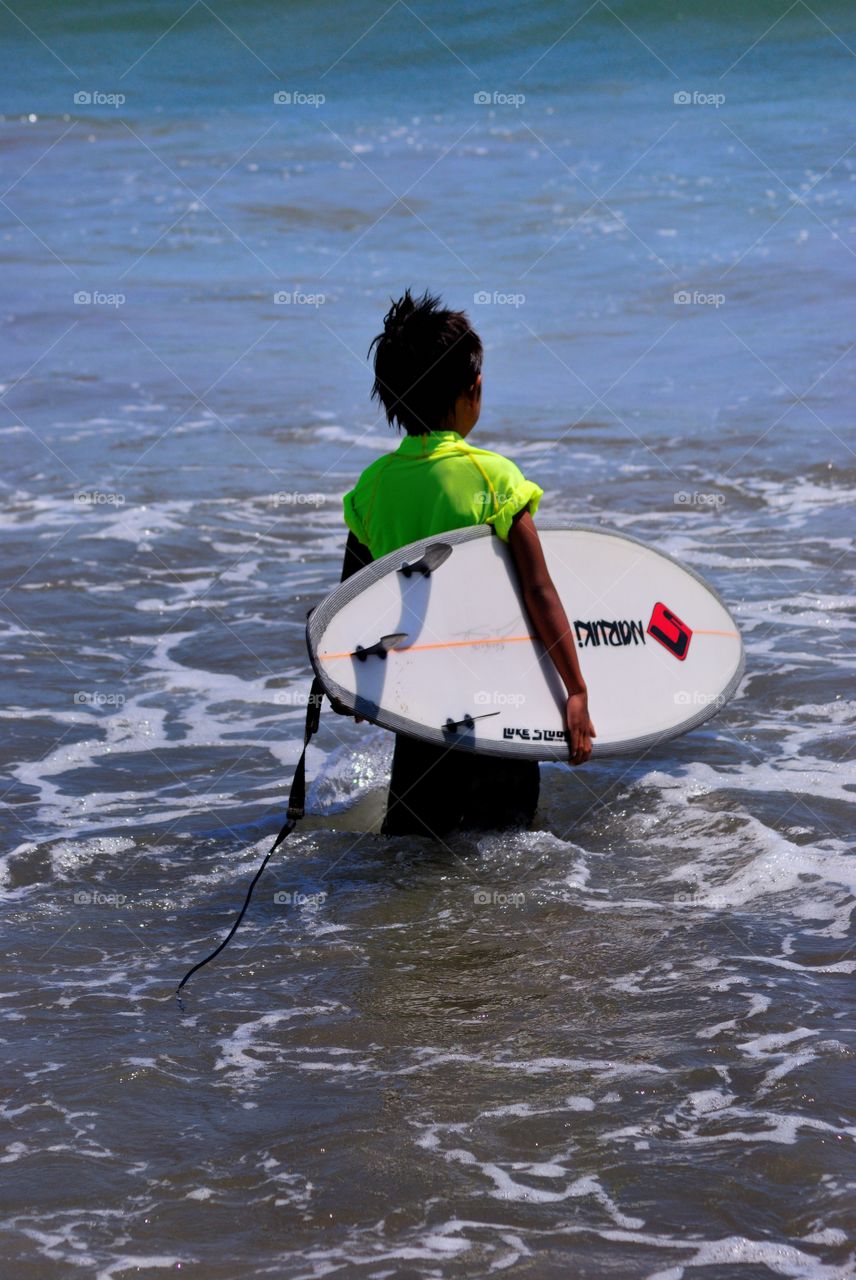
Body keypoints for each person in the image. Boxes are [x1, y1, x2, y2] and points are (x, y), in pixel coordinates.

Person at [337, 289, 595, 839]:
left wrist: (358, 683)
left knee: (411, 850)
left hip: (419, 715)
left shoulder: (373, 487)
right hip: (502, 706)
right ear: (470, 390)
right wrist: (575, 689)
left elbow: (352, 599)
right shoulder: (493, 477)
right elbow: (539, 591)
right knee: (504, 854)